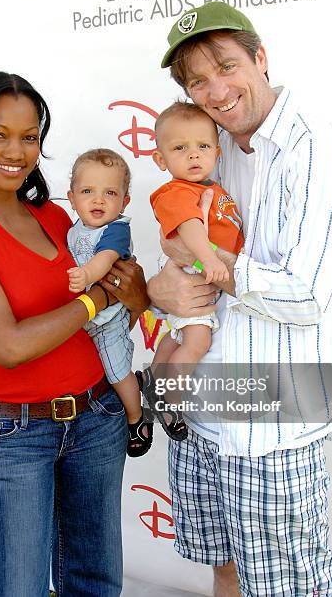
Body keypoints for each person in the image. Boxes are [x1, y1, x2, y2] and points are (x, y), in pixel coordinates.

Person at [147, 1, 332, 597]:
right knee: (226, 568)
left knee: (288, 587)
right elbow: (180, 255)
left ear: (260, 59)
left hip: (275, 422)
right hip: (206, 408)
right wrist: (155, 287)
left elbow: (305, 293)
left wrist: (203, 268)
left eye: (226, 65)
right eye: (198, 80)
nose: (216, 89)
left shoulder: (315, 148)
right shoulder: (210, 153)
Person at [0, 72, 149, 597]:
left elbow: (122, 309)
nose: (16, 151)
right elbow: (8, 345)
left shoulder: (55, 214)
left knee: (96, 580)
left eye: (29, 137)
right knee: (16, 587)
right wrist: (100, 299)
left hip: (96, 417)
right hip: (15, 434)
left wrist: (130, 296)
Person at [140, 101, 243, 439]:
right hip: (191, 271)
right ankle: (169, 400)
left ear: (217, 150)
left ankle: (154, 377)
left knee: (177, 334)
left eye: (202, 147)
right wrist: (209, 259)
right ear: (161, 159)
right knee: (197, 340)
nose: (194, 156)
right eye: (180, 148)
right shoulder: (176, 192)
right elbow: (190, 227)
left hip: (199, 272)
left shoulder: (210, 188)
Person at [67, 148, 153, 456]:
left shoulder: (116, 229)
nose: (98, 200)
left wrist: (86, 273)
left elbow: (106, 257)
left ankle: (136, 417)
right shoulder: (72, 230)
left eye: (110, 192)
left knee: (116, 371)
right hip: (86, 317)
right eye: (87, 191)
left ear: (125, 201)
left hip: (109, 318)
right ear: (72, 197)